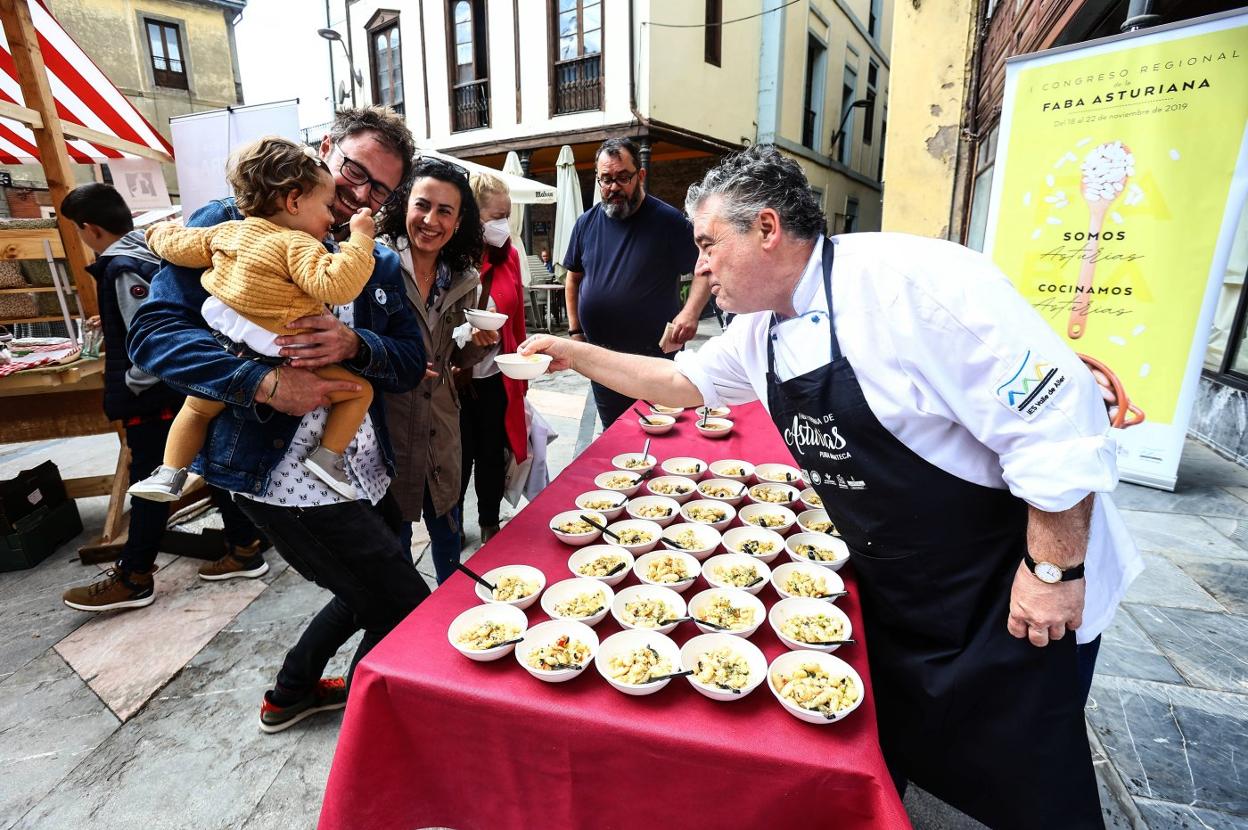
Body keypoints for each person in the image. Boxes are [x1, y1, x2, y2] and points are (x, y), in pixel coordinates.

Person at [522, 145, 1142, 829]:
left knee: (1031, 777)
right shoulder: (761, 326)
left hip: (1006, 575)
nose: (696, 267)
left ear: (765, 229)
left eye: (706, 245)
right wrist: (570, 352)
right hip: (907, 579)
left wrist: (1052, 569)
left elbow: (1058, 421)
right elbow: (678, 383)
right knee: (899, 740)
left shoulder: (915, 284)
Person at [128, 106, 432, 734]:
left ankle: (291, 692)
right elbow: (154, 337)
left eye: (379, 188)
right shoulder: (234, 224)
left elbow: (408, 362)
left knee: (369, 587)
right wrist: (263, 381)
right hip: (277, 473)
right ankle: (371, 737)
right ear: (325, 150)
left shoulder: (374, 256)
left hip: (364, 464)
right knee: (404, 603)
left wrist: (356, 348)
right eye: (352, 171)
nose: (358, 193)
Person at [58, 183, 269, 613]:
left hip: (156, 397)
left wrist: (134, 384)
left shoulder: (121, 266)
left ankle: (135, 575)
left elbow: (153, 335)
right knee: (209, 465)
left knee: (152, 483)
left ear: (88, 228)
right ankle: (245, 546)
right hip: (187, 389)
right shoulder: (148, 253)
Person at [130, 137, 377, 503]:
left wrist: (155, 233)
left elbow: (178, 245)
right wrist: (360, 240)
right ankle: (327, 458)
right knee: (360, 392)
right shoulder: (298, 244)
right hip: (281, 353)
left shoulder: (225, 231)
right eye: (327, 206)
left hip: (228, 349)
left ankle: (169, 474)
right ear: (294, 200)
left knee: (195, 408)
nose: (331, 218)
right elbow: (339, 285)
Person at [376, 157, 497, 583]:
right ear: (403, 204)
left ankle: (451, 622)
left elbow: (453, 359)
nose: (430, 220)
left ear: (460, 220)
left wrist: (481, 345)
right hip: (385, 432)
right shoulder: (373, 264)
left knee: (448, 538)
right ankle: (402, 629)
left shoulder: (463, 278)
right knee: (392, 551)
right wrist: (393, 364)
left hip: (442, 428)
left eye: (445, 211)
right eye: (422, 205)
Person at [563, 138, 708, 426]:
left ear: (640, 176)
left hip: (654, 359)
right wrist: (576, 332)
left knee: (661, 432)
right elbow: (573, 279)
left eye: (622, 177)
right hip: (602, 359)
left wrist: (690, 313)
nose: (613, 187)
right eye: (606, 179)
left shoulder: (669, 221)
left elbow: (705, 268)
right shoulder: (585, 223)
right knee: (615, 432)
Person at [458, 172, 529, 544]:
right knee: (457, 460)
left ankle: (489, 522)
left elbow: (516, 319)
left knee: (490, 455)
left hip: (498, 378)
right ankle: (450, 526)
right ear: (473, 217)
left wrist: (523, 373)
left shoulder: (511, 256)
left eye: (507, 214)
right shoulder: (454, 258)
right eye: (495, 216)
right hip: (456, 380)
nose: (502, 224)